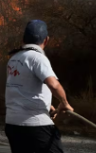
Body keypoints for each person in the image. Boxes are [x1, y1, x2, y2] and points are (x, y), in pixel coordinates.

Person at [5, 20, 74, 153]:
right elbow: (53, 85)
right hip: (35, 125)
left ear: (23, 39)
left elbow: (21, 88)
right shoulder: (38, 58)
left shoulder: (14, 59)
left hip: (12, 125)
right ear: (46, 40)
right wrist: (64, 103)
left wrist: (47, 105)